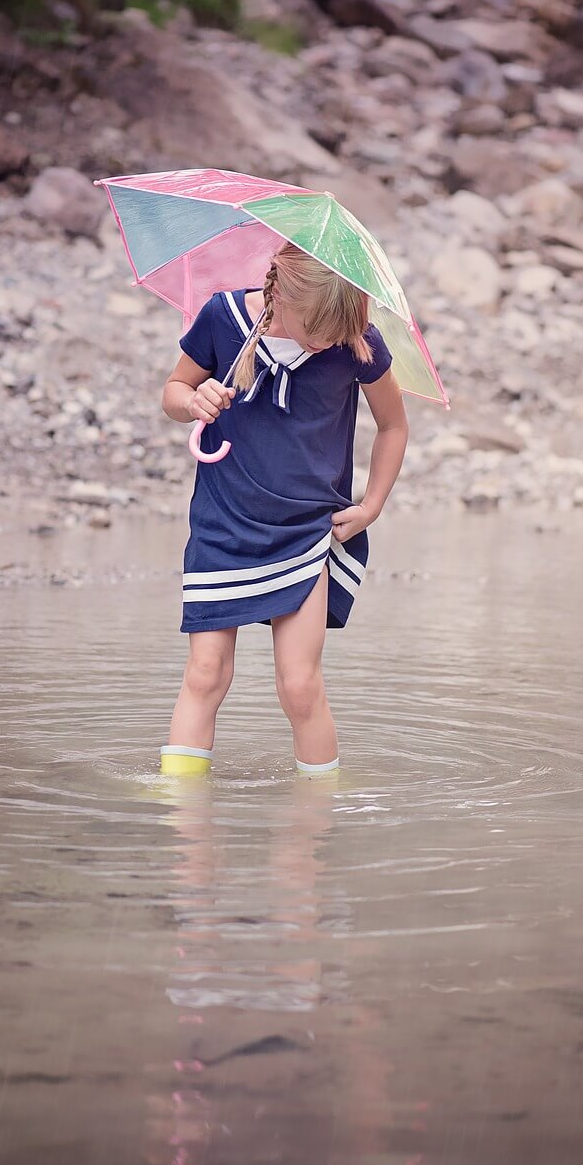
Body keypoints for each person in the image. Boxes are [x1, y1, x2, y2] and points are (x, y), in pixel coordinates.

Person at [159, 241, 408, 778]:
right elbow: (174, 391)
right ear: (277, 291)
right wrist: (193, 401)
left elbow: (393, 425)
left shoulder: (355, 341)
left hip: (306, 530)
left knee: (299, 684)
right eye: (315, 331)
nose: (324, 345)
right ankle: (181, 824)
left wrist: (372, 505)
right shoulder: (221, 317)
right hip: (224, 523)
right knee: (205, 673)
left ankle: (314, 825)